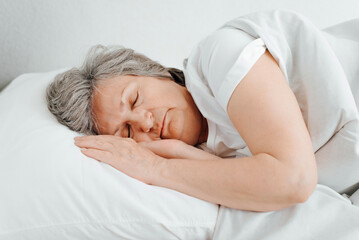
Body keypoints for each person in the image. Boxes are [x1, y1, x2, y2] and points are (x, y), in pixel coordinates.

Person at [46, 16, 320, 212]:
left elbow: (294, 180)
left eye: (135, 98)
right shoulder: (204, 152)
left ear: (159, 72)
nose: (144, 122)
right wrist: (184, 155)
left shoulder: (221, 55)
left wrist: (156, 169)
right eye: (127, 131)